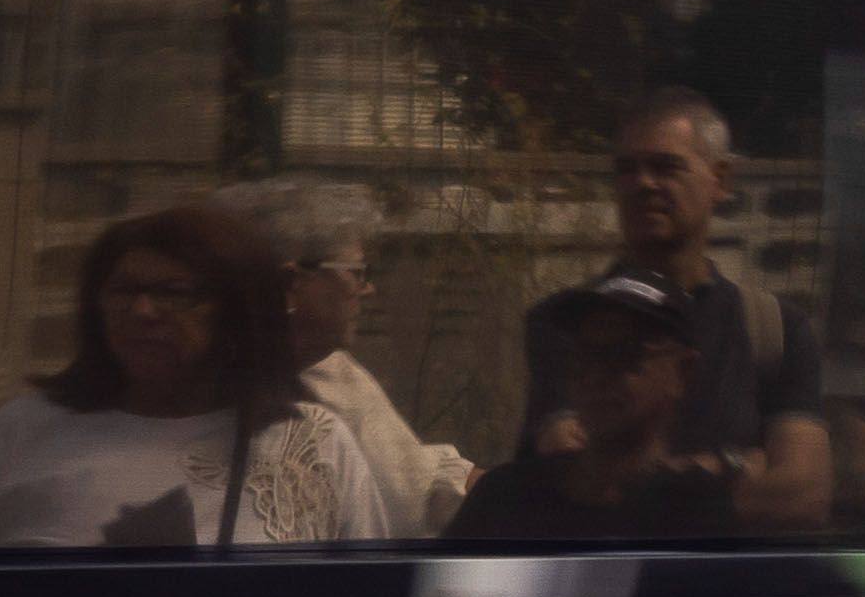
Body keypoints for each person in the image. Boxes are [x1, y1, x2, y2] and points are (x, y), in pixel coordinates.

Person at [0, 202, 388, 548]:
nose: (142, 311)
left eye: (175, 293)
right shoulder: (26, 429)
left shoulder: (315, 445)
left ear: (237, 310)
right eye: (124, 291)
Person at [519, 91, 827, 530]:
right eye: (627, 170)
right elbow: (580, 478)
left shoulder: (776, 329)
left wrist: (643, 488)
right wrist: (734, 464)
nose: (642, 184)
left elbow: (803, 494)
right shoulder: (567, 323)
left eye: (665, 167)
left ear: (720, 180)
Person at [221, 174, 476, 530]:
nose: (367, 289)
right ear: (290, 284)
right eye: (356, 272)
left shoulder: (334, 371)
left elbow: (417, 488)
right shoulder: (197, 391)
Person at [447, 280, 730, 545]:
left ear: (683, 372)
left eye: (624, 354)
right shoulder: (506, 497)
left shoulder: (696, 516)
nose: (594, 376)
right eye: (584, 355)